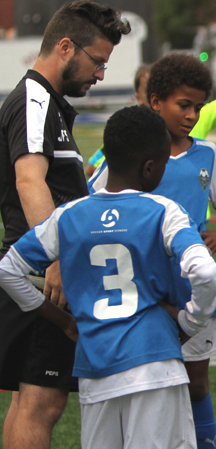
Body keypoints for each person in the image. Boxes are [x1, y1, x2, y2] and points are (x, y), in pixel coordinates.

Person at [0, 105, 216, 449]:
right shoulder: (164, 210)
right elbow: (204, 270)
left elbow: (7, 270)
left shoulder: (68, 216)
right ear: (150, 167)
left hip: (95, 370)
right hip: (155, 367)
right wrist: (191, 322)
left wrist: (60, 320)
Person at [87, 53, 216, 449]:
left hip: (193, 287)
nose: (191, 115)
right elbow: (94, 203)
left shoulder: (207, 155)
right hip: (144, 289)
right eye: (183, 105)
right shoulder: (128, 156)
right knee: (147, 383)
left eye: (198, 107)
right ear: (155, 101)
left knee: (197, 383)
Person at [0, 2, 130, 448]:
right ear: (65, 46)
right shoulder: (34, 98)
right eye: (97, 61)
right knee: (42, 402)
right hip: (40, 274)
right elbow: (28, 179)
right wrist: (56, 259)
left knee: (31, 401)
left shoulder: (48, 104)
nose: (99, 74)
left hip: (35, 270)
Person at [84, 59, 216, 176]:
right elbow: (94, 169)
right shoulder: (128, 133)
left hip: (196, 231)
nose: (191, 115)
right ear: (147, 97)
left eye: (194, 107)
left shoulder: (200, 117)